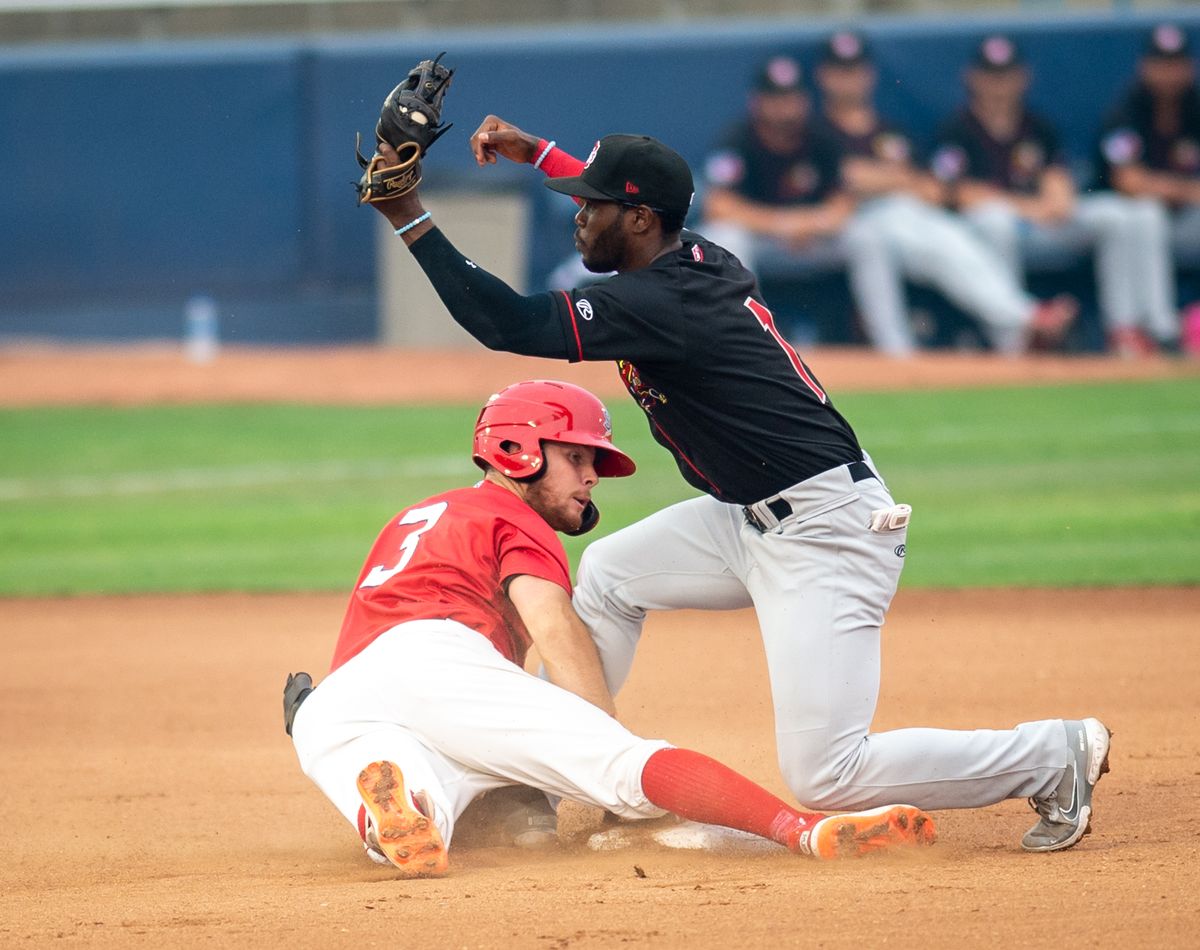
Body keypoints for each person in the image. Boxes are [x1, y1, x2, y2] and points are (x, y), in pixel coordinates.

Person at [361, 109, 1111, 854]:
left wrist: (409, 218)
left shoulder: (659, 301)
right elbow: (623, 202)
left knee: (829, 774)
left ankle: (1051, 755)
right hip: (748, 516)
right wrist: (538, 153)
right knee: (613, 575)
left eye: (592, 207)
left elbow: (512, 327)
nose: (578, 219)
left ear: (641, 220)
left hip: (826, 530)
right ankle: (555, 773)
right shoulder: (688, 256)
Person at [285, 379, 937, 876]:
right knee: (622, 768)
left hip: (334, 702)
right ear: (517, 452)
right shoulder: (516, 520)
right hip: (440, 663)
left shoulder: (421, 514)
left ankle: (392, 805)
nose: (593, 476)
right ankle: (801, 830)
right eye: (576, 458)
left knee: (434, 792)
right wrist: (598, 730)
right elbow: (553, 622)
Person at [812, 30, 1076, 355]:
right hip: (857, 222)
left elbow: (931, 190)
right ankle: (1024, 316)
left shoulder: (889, 129)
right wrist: (900, 178)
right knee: (910, 239)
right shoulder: (815, 129)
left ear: (869, 73)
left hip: (908, 216)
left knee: (952, 240)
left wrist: (890, 180)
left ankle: (1022, 320)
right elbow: (851, 177)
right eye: (841, 71)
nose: (849, 79)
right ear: (823, 75)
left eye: (855, 69)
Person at [930, 34, 1178, 356]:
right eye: (991, 75)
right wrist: (1025, 207)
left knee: (1129, 214)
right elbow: (952, 193)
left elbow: (1059, 187)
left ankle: (1133, 328)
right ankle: (1017, 335)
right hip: (995, 229)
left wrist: (1049, 204)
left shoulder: (1038, 127)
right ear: (972, 77)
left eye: (1006, 74)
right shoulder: (957, 129)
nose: (999, 84)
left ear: (1023, 77)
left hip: (1042, 223)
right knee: (995, 221)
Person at [1094, 22, 1200, 355]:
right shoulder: (1126, 110)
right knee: (1144, 214)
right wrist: (1186, 190)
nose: (1168, 73)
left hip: (1186, 220)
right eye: (1161, 64)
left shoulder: (1195, 107)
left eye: (1175, 63)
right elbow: (1128, 182)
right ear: (1145, 67)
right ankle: (1159, 328)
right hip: (1129, 215)